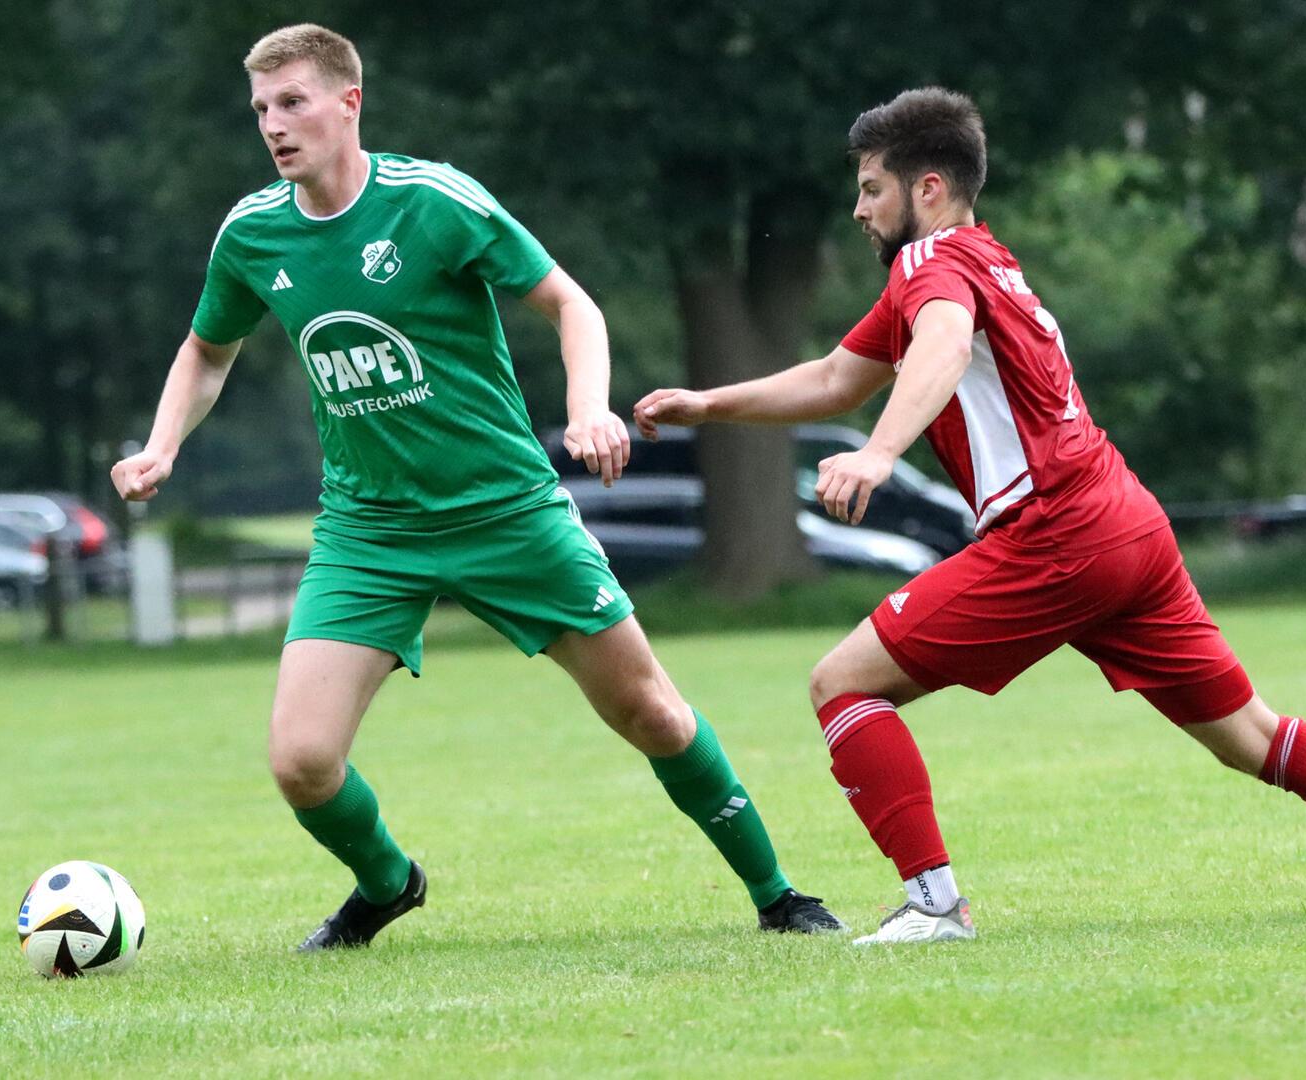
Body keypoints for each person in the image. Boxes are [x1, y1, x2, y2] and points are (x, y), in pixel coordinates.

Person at [634, 88, 1306, 944]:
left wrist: (879, 454)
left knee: (843, 685)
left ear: (929, 187)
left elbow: (945, 345)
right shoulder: (979, 256)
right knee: (1254, 738)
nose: (859, 210)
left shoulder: (929, 262)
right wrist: (711, 406)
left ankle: (934, 904)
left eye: (872, 189)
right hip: (1127, 521)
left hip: (1058, 534)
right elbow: (837, 377)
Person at [110, 23, 840, 949]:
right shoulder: (253, 232)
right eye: (261, 109)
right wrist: (164, 444)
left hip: (506, 510)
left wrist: (588, 408)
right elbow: (207, 351)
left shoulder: (433, 202)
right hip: (367, 529)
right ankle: (388, 883)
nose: (273, 125)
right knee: (301, 761)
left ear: (349, 103)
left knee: (649, 709)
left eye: (292, 102)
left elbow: (570, 303)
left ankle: (779, 898)